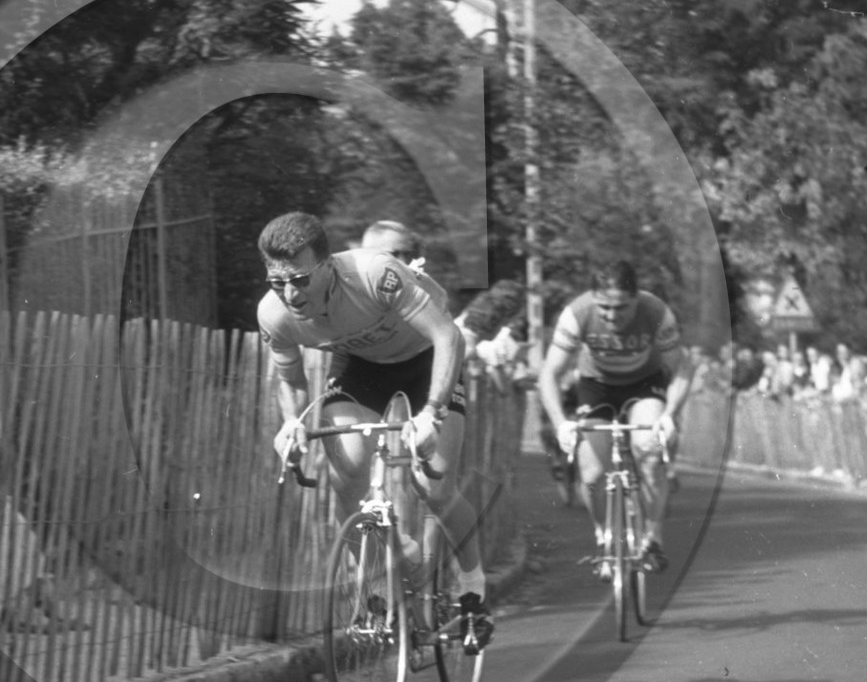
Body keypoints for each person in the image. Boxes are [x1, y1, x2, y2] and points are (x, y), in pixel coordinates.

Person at [258, 212, 491, 650]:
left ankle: (473, 589)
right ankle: (379, 584)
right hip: (362, 368)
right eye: (277, 282)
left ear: (329, 264)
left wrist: (433, 412)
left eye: (301, 279)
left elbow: (447, 338)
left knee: (434, 487)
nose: (291, 294)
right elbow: (290, 380)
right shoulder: (274, 315)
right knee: (346, 471)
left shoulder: (372, 274)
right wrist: (292, 422)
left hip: (426, 360)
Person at [537, 260, 690, 579]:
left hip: (644, 385)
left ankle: (652, 538)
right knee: (591, 473)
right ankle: (605, 536)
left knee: (648, 451)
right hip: (596, 388)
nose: (610, 315)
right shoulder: (577, 314)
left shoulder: (656, 313)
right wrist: (560, 422)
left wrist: (670, 415)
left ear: (636, 298)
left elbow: (681, 370)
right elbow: (549, 374)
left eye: (620, 308)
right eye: (603, 307)